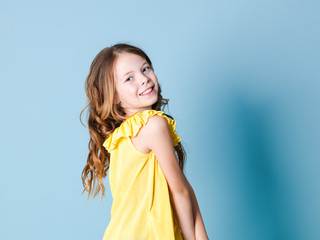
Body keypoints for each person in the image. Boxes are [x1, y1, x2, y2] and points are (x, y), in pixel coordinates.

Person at [80, 43, 208, 240]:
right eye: (129, 78)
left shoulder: (121, 135)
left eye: (145, 68)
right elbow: (180, 191)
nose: (144, 79)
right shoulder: (153, 126)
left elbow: (184, 189)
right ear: (114, 97)